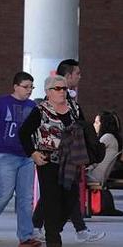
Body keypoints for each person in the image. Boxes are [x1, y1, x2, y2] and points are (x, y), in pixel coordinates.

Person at [32, 59, 104, 243]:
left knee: (62, 194)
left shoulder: (71, 103)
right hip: (54, 157)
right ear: (68, 75)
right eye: (77, 73)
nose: (80, 77)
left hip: (69, 157)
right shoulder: (49, 105)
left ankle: (40, 227)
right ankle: (69, 230)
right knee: (60, 193)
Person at [20, 75, 94, 247]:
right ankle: (53, 238)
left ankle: (52, 229)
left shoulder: (74, 108)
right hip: (47, 162)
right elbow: (23, 133)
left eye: (65, 88)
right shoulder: (40, 110)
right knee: (51, 201)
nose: (62, 92)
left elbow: (84, 130)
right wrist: (33, 153)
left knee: (70, 200)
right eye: (58, 88)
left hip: (71, 162)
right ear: (48, 91)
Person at [0, 72, 41, 247]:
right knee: (4, 193)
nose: (29, 90)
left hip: (26, 156)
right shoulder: (2, 103)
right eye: (26, 87)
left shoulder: (33, 106)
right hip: (4, 155)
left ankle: (26, 237)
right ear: (16, 86)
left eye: (31, 87)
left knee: (26, 198)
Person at [87, 111, 122, 183]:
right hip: (97, 176)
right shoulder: (112, 138)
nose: (93, 125)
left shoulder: (108, 137)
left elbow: (94, 152)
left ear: (104, 124)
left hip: (94, 176)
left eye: (96, 123)